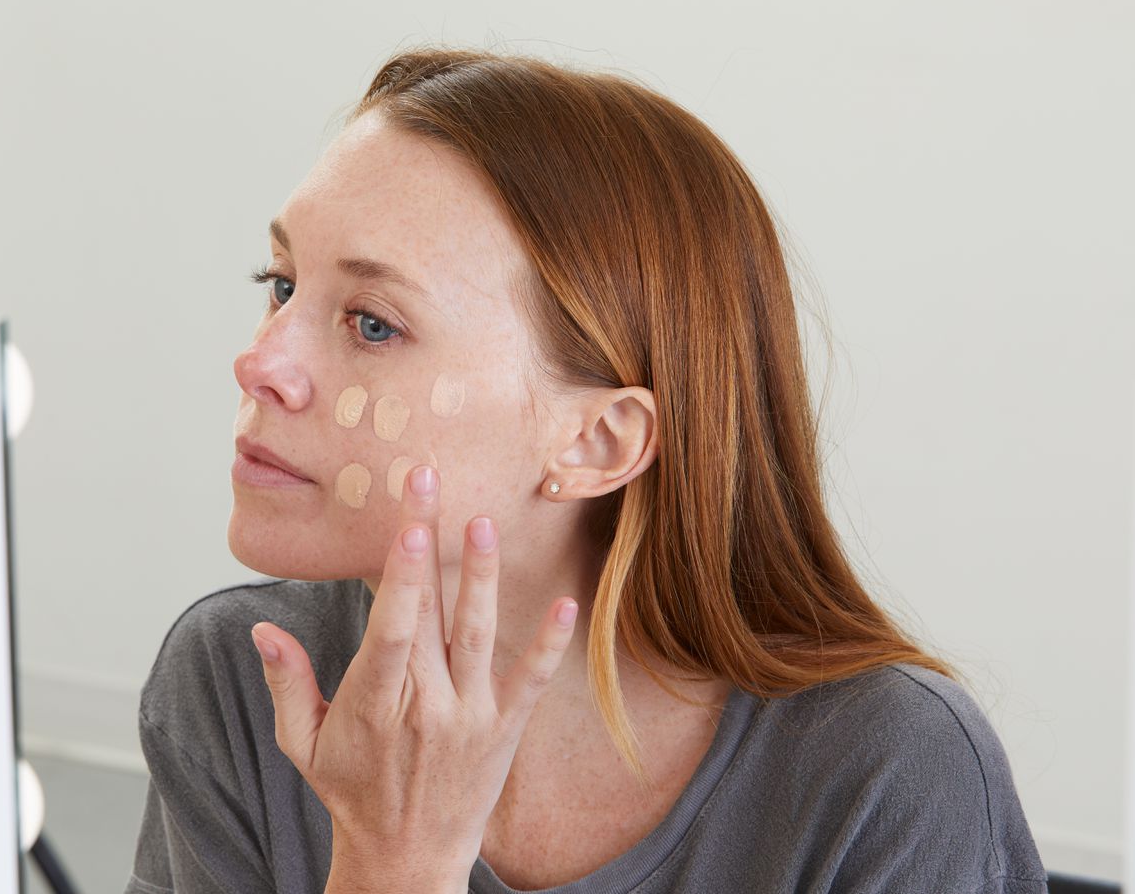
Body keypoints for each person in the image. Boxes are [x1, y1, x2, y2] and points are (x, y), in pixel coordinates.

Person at [123, 45, 1048, 893]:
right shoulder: (246, 686)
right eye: (281, 286)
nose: (261, 364)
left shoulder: (890, 776)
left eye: (373, 323)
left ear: (597, 442)